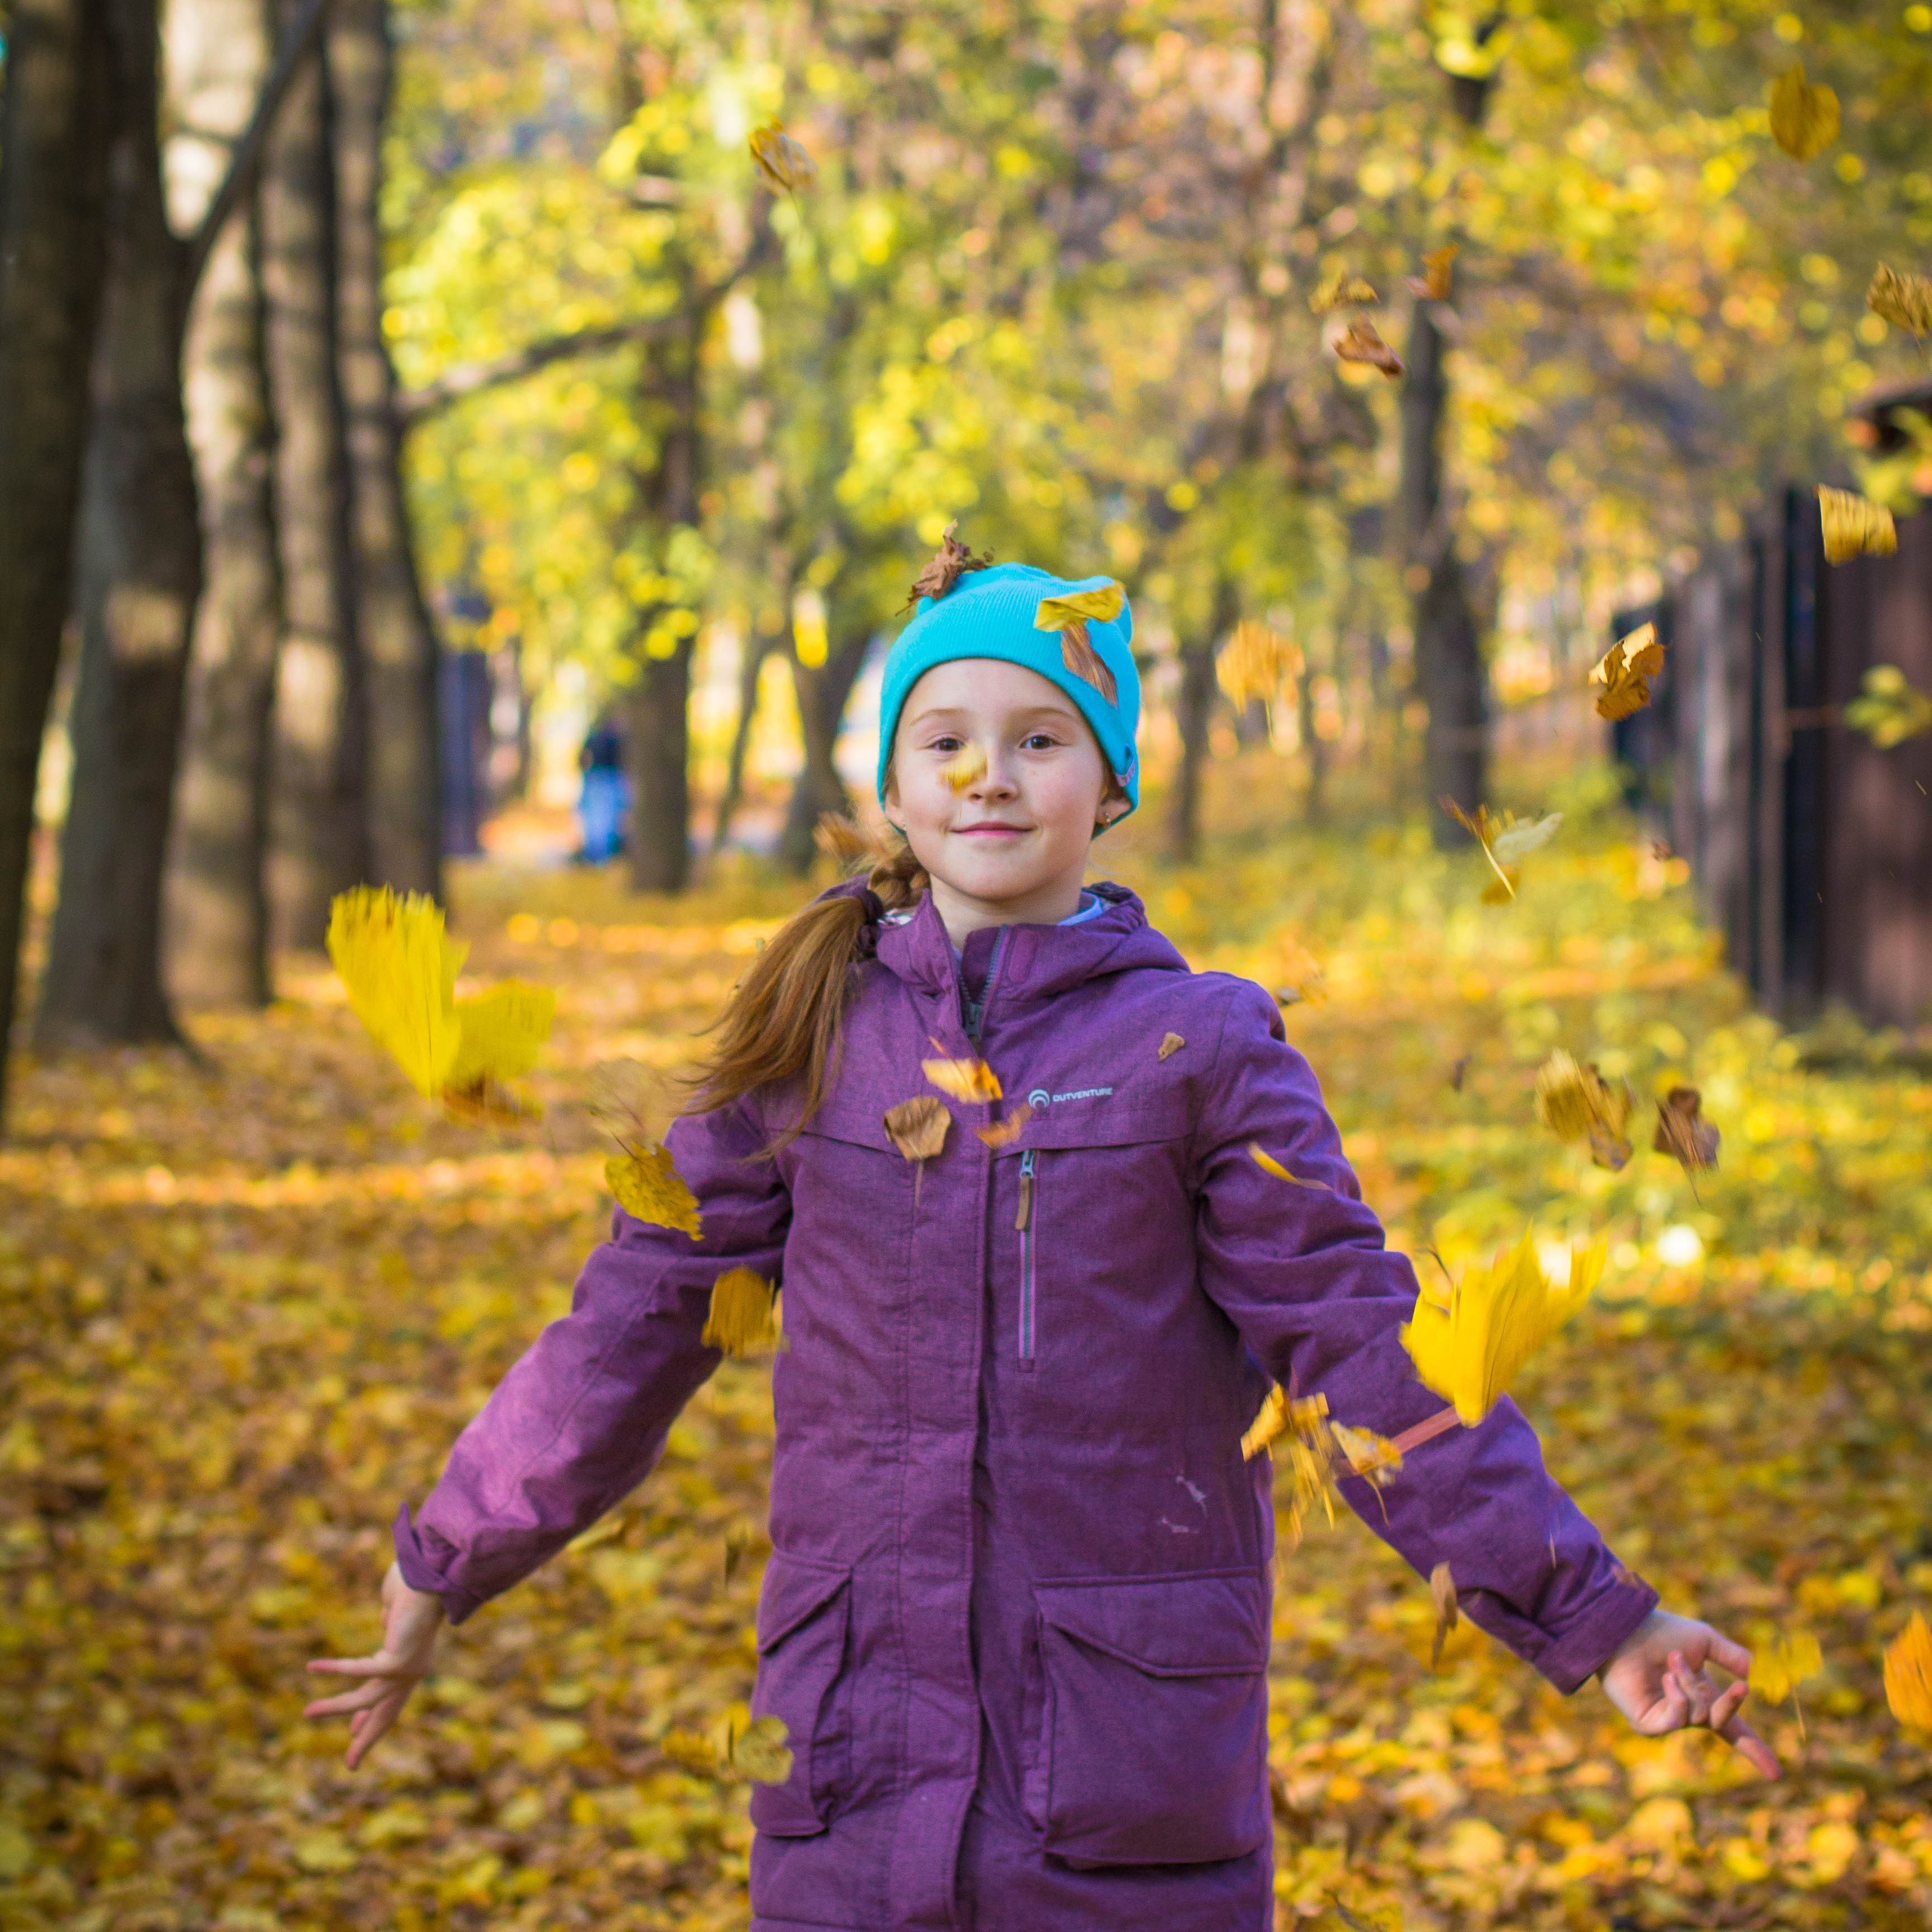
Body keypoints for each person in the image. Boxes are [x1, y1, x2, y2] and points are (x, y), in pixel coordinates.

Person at [307, 546, 1778, 1931]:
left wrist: (1597, 1615)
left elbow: (1368, 1358)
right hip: (846, 1774)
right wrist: (450, 1552)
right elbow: (629, 1321)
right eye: (942, 737)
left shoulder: (1199, 1047)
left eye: (1039, 737)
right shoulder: (810, 1042)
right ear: (889, 776)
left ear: (1111, 777)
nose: (986, 776)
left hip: (1119, 1791)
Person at [576, 718, 626, 863]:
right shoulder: (611, 739)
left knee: (605, 818)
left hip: (604, 780)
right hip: (603, 780)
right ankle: (598, 853)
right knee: (602, 818)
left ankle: (601, 853)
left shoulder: (612, 739)